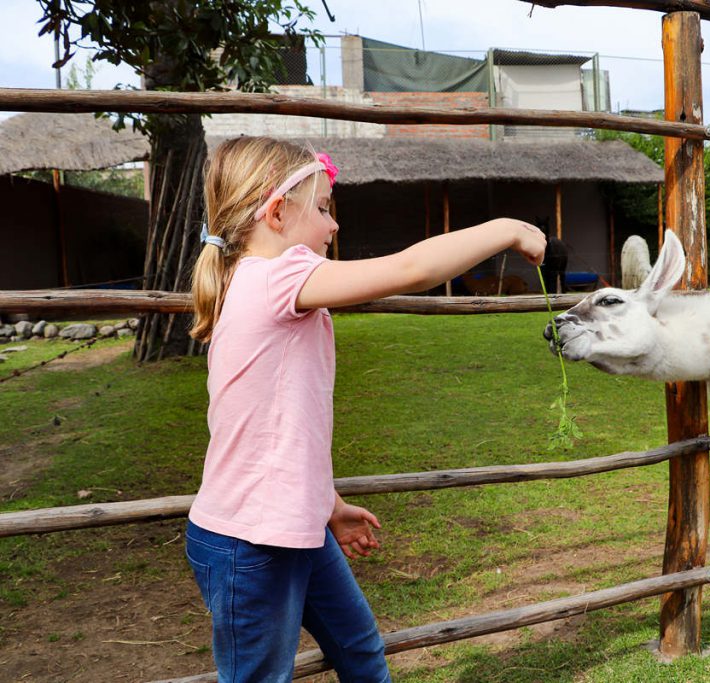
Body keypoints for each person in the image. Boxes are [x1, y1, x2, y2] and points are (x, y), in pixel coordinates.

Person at [186, 136, 545, 682]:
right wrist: (507, 229)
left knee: (360, 652)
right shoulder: (275, 276)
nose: (333, 226)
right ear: (277, 212)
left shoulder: (248, 282)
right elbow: (411, 269)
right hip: (252, 542)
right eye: (324, 209)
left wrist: (327, 503)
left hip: (294, 523)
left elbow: (272, 426)